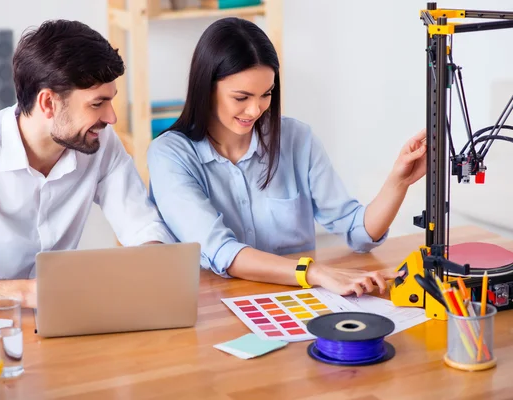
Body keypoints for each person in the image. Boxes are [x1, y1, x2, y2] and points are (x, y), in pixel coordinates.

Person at [147, 17, 427, 297]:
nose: (255, 109)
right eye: (241, 97)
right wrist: (315, 272)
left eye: (266, 94)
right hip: (214, 307)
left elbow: (358, 231)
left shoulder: (296, 138)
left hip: (294, 301)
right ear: (206, 88)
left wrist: (398, 181)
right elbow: (221, 251)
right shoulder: (169, 156)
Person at [0, 20, 175, 311]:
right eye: (97, 103)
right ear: (48, 103)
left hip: (60, 322)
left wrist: (152, 262)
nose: (111, 117)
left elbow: (143, 228)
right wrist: (24, 293)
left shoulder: (100, 142)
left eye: (110, 101)